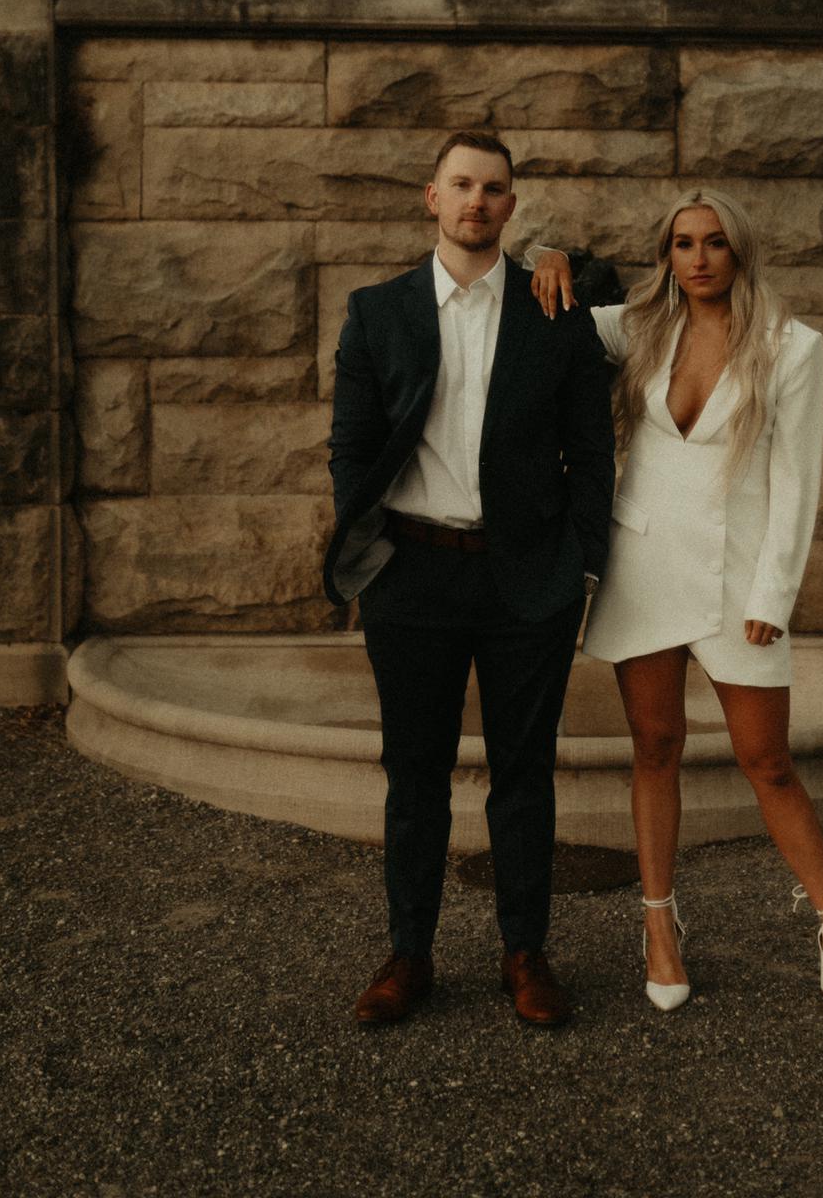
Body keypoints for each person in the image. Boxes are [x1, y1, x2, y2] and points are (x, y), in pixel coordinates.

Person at [530, 190, 823, 1022]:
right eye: (683, 244)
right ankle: (659, 927)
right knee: (655, 749)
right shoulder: (639, 327)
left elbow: (797, 481)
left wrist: (774, 593)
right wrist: (545, 253)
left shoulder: (791, 347)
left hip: (737, 584)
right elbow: (547, 305)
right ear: (667, 256)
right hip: (644, 566)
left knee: (768, 762)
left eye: (714, 242)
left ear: (738, 250)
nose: (699, 258)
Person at [324, 132, 614, 1029]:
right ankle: (409, 955)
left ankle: (525, 954)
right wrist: (368, 548)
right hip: (412, 577)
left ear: (511, 208)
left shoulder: (555, 307)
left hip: (526, 581)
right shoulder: (378, 311)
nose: (476, 201)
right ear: (433, 198)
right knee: (415, 774)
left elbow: (592, 449)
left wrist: (582, 561)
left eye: (493, 189)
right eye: (461, 185)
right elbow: (351, 447)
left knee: (525, 773)